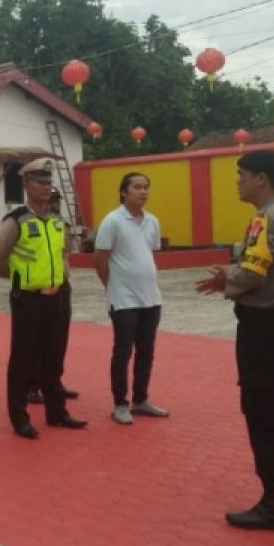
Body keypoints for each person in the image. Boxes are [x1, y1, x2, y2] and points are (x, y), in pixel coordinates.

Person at [194, 149, 274, 530]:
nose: (238, 182)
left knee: (265, 414)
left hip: (264, 328)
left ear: (260, 179)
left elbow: (254, 272)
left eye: (242, 175)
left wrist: (226, 281)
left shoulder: (264, 220)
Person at [0, 158, 86, 439]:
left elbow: (63, 255)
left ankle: (57, 412)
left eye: (48, 182)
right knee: (22, 359)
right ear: (26, 184)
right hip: (28, 299)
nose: (46, 187)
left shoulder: (58, 221)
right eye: (40, 182)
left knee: (54, 357)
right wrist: (22, 279)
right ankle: (19, 417)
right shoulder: (16, 220)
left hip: (57, 297)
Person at [94, 172, 170, 424]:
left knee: (146, 351)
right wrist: (112, 286)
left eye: (146, 187)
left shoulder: (152, 222)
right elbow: (100, 259)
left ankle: (140, 399)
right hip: (123, 300)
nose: (143, 191)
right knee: (123, 351)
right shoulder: (112, 221)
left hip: (151, 298)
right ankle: (119, 404)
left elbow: (149, 255)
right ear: (124, 192)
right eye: (137, 187)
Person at [27, 189, 81, 405]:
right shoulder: (26, 222)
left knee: (59, 338)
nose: (54, 204)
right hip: (37, 287)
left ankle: (54, 381)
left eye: (56, 200)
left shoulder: (60, 224)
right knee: (35, 340)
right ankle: (31, 385)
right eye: (51, 199)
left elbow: (65, 253)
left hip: (61, 285)